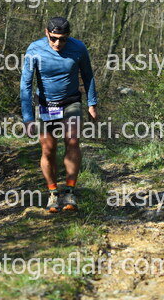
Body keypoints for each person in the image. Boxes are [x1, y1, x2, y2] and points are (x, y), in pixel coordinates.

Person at [20, 16, 98, 212]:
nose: (58, 43)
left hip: (71, 102)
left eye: (63, 39)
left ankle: (70, 191)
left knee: (73, 141)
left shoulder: (78, 48)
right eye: (53, 38)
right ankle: (53, 192)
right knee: (48, 149)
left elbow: (88, 76)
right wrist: (28, 118)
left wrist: (92, 104)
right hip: (46, 105)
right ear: (46, 32)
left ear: (68, 36)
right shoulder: (35, 49)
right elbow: (25, 84)